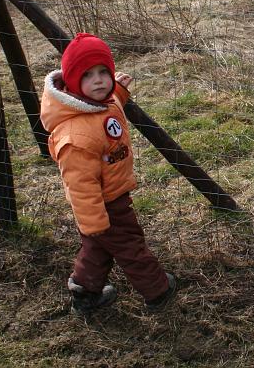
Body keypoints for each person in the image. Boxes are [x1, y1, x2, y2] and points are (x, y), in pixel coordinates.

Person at [40, 33, 177, 315]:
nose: (100, 80)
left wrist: (121, 92)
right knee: (130, 246)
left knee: (98, 249)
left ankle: (85, 293)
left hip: (112, 195)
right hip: (103, 203)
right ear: (72, 81)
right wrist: (93, 220)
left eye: (105, 71)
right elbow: (79, 184)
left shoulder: (99, 102)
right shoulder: (75, 135)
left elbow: (110, 105)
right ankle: (158, 290)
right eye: (88, 75)